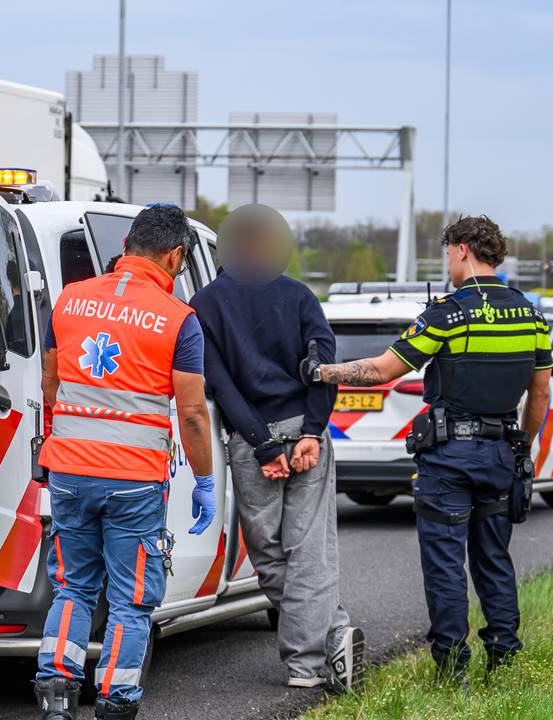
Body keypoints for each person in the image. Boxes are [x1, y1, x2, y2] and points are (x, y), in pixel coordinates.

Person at [304, 215, 551, 679]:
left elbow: (380, 371)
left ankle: (452, 667)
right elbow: (540, 395)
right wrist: (521, 447)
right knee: (494, 558)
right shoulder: (531, 314)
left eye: (448, 254)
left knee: (445, 564)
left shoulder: (448, 313)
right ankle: (504, 660)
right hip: (502, 454)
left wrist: (321, 373)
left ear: (460, 249)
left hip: (449, 459)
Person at [34, 204, 214, 720]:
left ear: (128, 245)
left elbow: (50, 382)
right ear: (176, 255)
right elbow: (194, 414)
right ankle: (115, 702)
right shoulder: (179, 319)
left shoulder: (69, 301)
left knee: (72, 587)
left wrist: (64, 437)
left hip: (68, 473)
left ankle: (55, 697)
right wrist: (203, 479)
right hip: (133, 482)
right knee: (132, 600)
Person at [189, 203, 363, 691]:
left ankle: (307, 662)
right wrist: (311, 432)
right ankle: (332, 638)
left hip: (251, 440)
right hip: (305, 433)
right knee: (311, 551)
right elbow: (324, 370)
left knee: (267, 556)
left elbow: (220, 385)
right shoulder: (301, 296)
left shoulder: (203, 304)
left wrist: (265, 447)